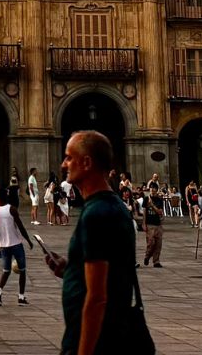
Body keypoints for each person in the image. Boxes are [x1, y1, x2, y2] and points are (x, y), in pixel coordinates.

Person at [48, 130, 150, 355]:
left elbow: (97, 298)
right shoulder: (112, 206)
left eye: (69, 157)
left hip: (98, 342)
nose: (64, 164)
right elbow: (112, 273)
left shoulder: (98, 214)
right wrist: (71, 269)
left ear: (86, 162)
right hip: (109, 335)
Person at [135, 184, 163, 270]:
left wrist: (152, 205)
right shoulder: (146, 199)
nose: (152, 190)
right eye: (151, 188)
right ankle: (147, 256)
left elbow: (159, 212)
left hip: (158, 224)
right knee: (151, 243)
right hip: (149, 224)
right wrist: (144, 223)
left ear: (156, 190)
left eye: (154, 188)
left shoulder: (159, 200)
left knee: (158, 244)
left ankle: (156, 261)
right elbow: (144, 211)